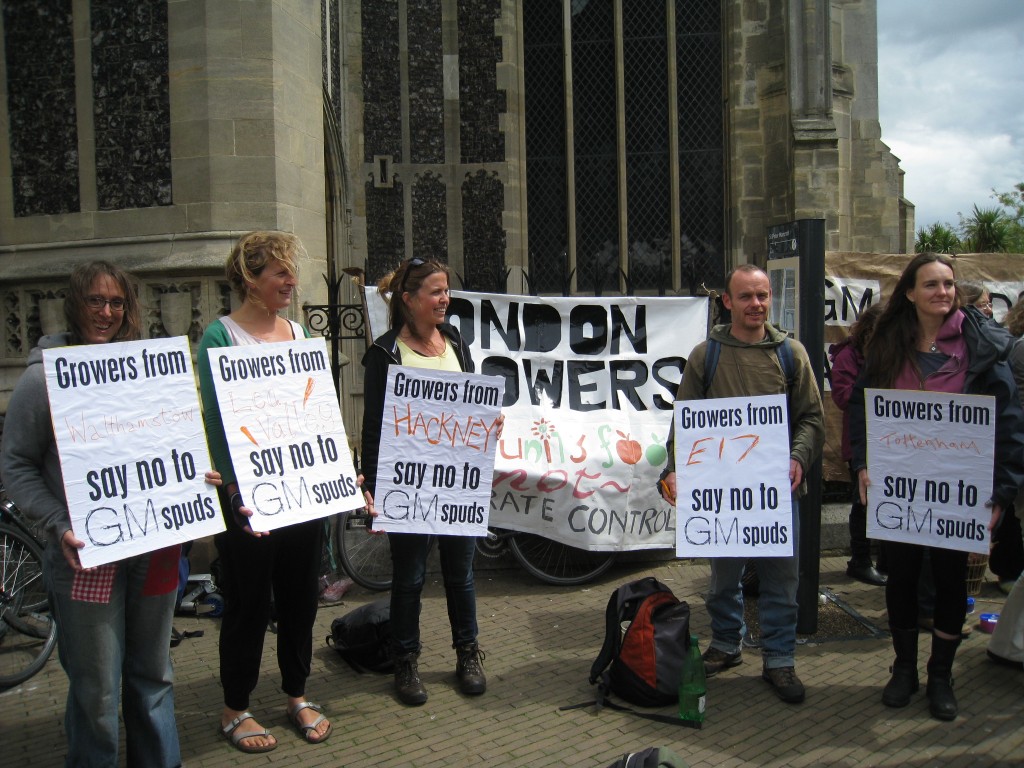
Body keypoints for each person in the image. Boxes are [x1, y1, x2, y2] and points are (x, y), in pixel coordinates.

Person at [0, 261, 223, 768]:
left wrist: (198, 478)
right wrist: (58, 522)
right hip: (87, 559)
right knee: (97, 690)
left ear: (129, 309)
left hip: (154, 550)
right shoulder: (45, 379)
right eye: (95, 301)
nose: (105, 312)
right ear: (74, 304)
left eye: (116, 302)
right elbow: (14, 464)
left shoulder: (153, 371)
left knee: (153, 677)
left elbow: (174, 445)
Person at [849, 252, 1024, 721]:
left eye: (948, 284)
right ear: (910, 292)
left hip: (959, 490)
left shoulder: (982, 346)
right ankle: (903, 668)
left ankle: (941, 675)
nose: (942, 292)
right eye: (931, 285)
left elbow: (1008, 423)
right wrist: (864, 461)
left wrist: (1001, 495)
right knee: (901, 577)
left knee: (950, 582)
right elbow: (862, 408)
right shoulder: (889, 344)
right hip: (902, 489)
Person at [659, 263, 825, 705]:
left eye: (763, 295)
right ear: (727, 302)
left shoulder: (792, 354)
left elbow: (811, 417)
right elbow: (685, 420)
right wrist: (673, 467)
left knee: (780, 578)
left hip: (777, 490)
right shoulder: (705, 355)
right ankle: (727, 644)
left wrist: (798, 458)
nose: (756, 304)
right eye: (747, 296)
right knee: (722, 576)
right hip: (723, 492)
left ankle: (779, 658)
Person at [197, 231, 334, 752]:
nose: (291, 281)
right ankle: (236, 708)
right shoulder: (221, 338)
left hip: (303, 492)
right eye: (280, 272)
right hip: (250, 499)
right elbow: (215, 420)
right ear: (250, 280)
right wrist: (233, 488)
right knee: (248, 603)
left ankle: (297, 693)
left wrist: (337, 471)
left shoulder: (299, 334)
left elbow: (315, 410)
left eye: (290, 272)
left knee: (302, 596)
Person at [360, 257, 488, 706]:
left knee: (461, 575)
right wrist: (373, 483)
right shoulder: (383, 353)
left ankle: (468, 654)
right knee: (410, 577)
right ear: (410, 300)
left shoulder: (455, 341)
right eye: (436, 292)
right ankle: (406, 660)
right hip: (410, 484)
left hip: (457, 483)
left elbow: (471, 407)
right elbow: (373, 424)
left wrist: (488, 428)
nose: (445, 299)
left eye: (446, 291)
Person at [828, 303, 886, 586]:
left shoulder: (894, 353)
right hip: (862, 440)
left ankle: (887, 559)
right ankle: (860, 561)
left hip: (894, 440)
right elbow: (843, 397)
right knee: (864, 501)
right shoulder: (848, 357)